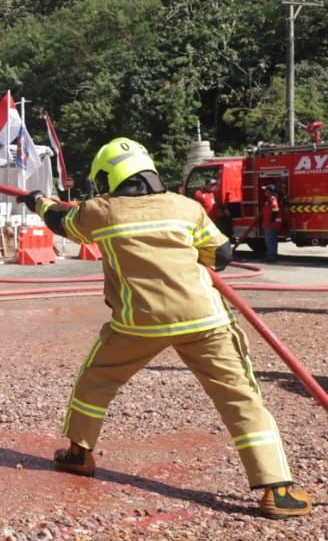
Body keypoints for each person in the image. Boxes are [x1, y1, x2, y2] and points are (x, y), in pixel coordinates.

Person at [18, 138, 311, 519]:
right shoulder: (186, 207)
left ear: (107, 177)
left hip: (137, 324)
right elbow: (221, 254)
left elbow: (60, 222)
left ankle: (78, 454)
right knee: (240, 397)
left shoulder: (98, 211)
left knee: (95, 380)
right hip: (203, 320)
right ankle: (276, 489)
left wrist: (38, 201)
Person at [261, 184, 280, 263]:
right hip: (268, 224)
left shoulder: (272, 199)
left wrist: (272, 218)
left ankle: (271, 257)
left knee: (270, 241)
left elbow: (275, 208)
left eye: (266, 190)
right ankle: (272, 256)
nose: (265, 192)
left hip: (270, 225)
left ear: (270, 191)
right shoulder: (269, 199)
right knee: (271, 240)